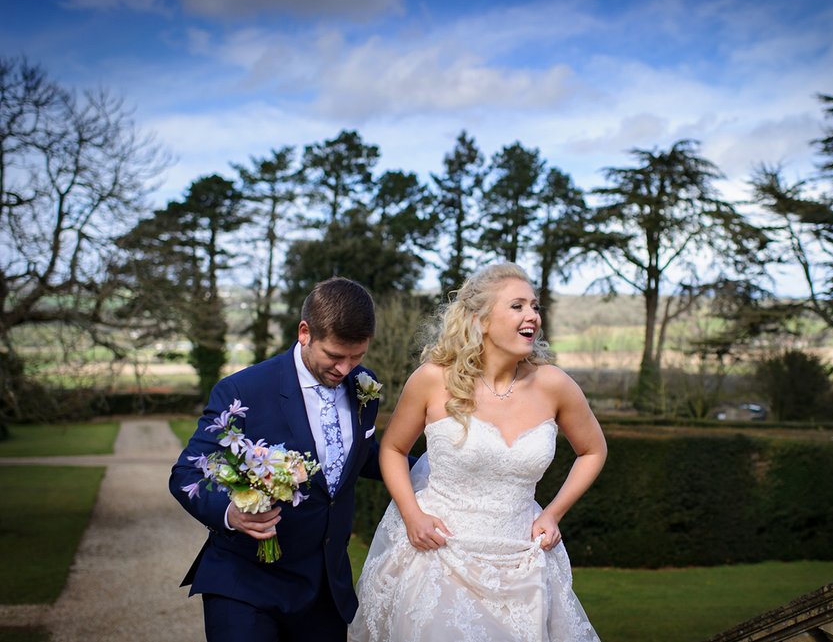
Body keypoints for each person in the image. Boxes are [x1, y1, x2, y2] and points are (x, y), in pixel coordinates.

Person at [348, 262, 608, 642]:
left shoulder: (555, 385)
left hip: (523, 562)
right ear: (480, 320)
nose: (532, 315)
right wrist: (412, 514)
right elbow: (392, 448)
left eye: (535, 306)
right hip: (438, 555)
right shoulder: (433, 379)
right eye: (517, 306)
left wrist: (553, 513)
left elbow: (593, 451)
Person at [169, 277, 384, 642]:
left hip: (324, 590)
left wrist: (440, 468)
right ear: (305, 332)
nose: (346, 369)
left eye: (357, 356)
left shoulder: (365, 386)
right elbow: (187, 472)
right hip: (245, 584)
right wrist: (230, 513)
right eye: (334, 356)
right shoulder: (243, 391)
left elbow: (361, 456)